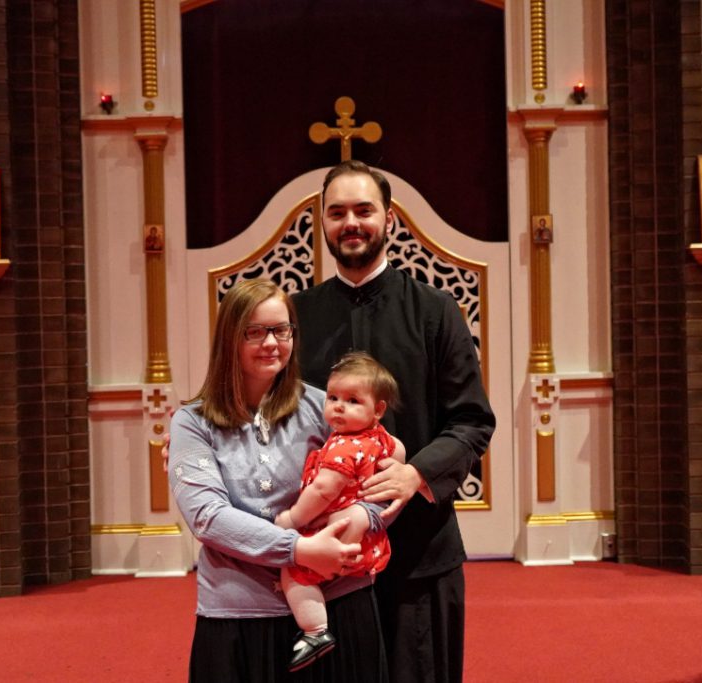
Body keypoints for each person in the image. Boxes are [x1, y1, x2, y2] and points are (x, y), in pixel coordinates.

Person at [292, 160, 496, 683]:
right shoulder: (296, 315)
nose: (350, 223)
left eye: (364, 210)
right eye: (336, 213)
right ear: (322, 222)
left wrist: (415, 474)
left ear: (390, 219)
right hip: (324, 554)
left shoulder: (436, 310)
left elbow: (472, 421)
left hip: (419, 553)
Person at [167, 278, 389, 682]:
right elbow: (208, 518)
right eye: (255, 331)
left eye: (281, 330)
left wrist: (363, 516)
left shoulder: (326, 407)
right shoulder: (191, 422)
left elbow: (381, 479)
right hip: (239, 611)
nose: (271, 343)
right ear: (229, 338)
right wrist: (298, 550)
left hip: (337, 601)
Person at [274, 351, 404, 672]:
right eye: (333, 397)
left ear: (378, 410)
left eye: (352, 400)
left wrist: (292, 519)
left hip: (336, 533)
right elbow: (398, 450)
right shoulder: (379, 437)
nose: (339, 406)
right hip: (366, 539)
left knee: (292, 572)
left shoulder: (345, 446)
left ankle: (315, 631)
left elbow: (323, 490)